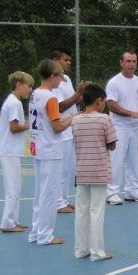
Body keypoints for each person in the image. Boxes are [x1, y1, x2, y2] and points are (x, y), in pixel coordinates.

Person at [28, 59, 75, 245]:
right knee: (49, 193)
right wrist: (72, 119)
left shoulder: (34, 94)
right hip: (50, 148)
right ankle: (45, 234)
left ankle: (36, 231)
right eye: (59, 77)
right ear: (53, 76)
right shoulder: (51, 97)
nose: (60, 81)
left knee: (40, 192)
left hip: (38, 146)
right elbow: (57, 126)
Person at [72, 83, 117, 261]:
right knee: (97, 210)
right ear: (99, 101)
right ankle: (97, 251)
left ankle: (80, 249)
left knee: (81, 211)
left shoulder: (76, 119)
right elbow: (112, 144)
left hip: (82, 170)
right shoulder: (104, 119)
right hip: (99, 170)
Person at [106, 51, 138, 205]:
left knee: (133, 161)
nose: (131, 64)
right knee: (116, 160)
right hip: (118, 127)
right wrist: (131, 114)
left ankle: (132, 191)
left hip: (135, 128)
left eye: (134, 61)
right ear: (121, 62)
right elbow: (112, 105)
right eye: (128, 61)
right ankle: (111, 193)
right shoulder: (114, 82)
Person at [51, 48, 89, 214]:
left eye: (69, 60)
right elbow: (60, 106)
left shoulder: (65, 79)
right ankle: (58, 203)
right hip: (62, 130)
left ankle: (64, 200)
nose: (68, 63)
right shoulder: (53, 82)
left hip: (70, 129)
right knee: (62, 169)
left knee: (70, 169)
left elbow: (74, 100)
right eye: (65, 60)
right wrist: (79, 93)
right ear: (55, 61)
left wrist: (84, 92)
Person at [0, 71, 34, 233]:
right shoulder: (14, 103)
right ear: (19, 85)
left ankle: (13, 220)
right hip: (9, 151)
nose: (30, 90)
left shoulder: (14, 102)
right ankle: (7, 222)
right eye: (28, 86)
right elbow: (14, 128)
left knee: (16, 187)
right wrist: (30, 124)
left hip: (11, 150)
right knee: (12, 188)